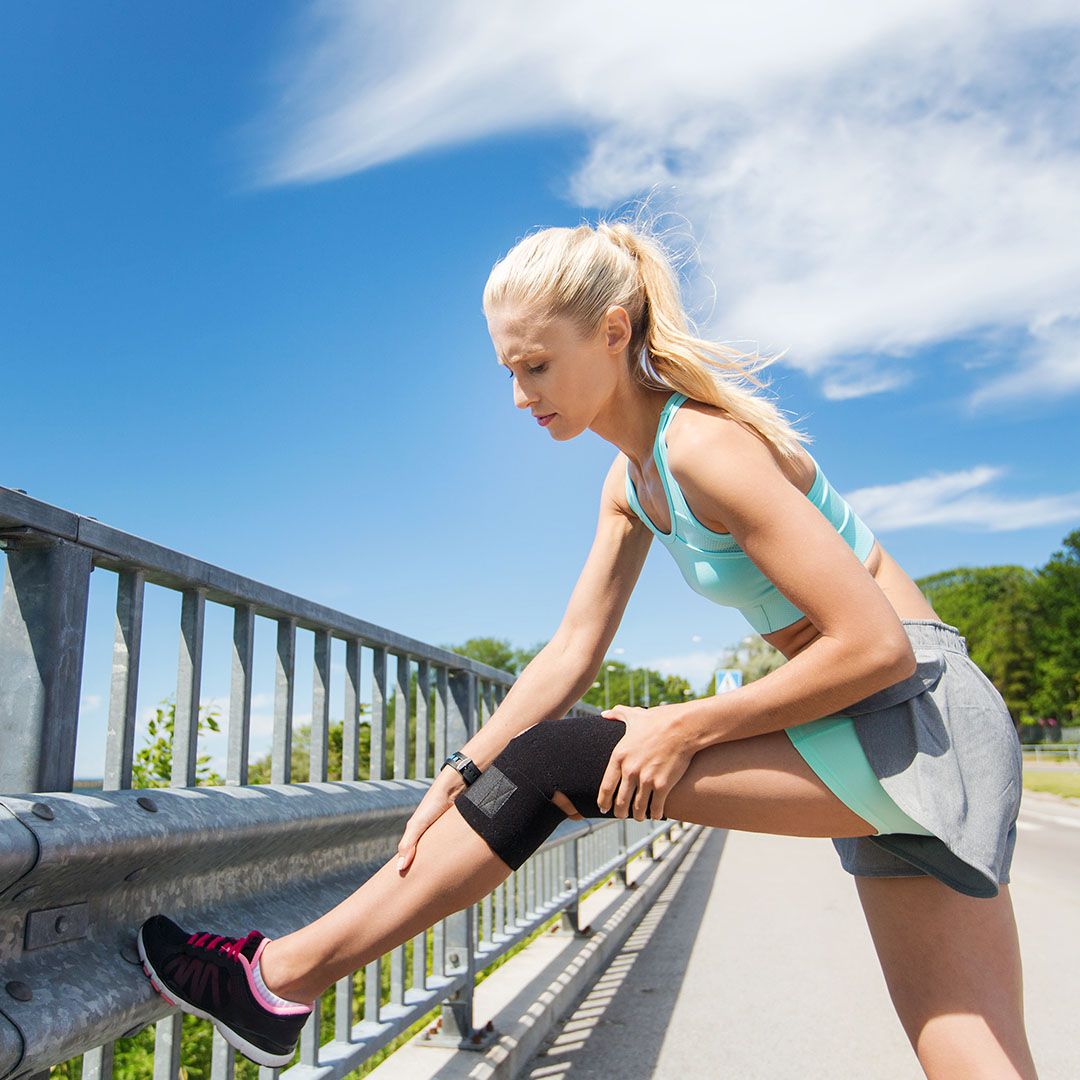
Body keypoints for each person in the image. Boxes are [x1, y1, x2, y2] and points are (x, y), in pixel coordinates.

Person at [138, 219, 1036, 1078]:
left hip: (918, 712)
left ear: (613, 332)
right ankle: (280, 980)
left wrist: (684, 724)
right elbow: (570, 652)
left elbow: (875, 643)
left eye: (537, 366)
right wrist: (459, 773)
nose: (521, 396)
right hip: (890, 720)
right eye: (508, 370)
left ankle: (277, 978)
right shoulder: (634, 481)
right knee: (969, 1056)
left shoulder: (704, 450)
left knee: (560, 763)